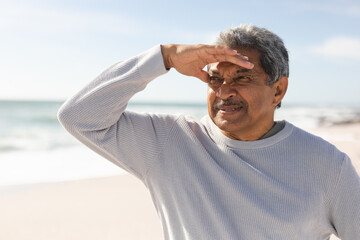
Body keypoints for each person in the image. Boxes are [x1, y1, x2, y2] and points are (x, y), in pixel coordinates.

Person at [58, 25, 360, 239]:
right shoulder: (170, 142)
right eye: (215, 79)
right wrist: (163, 57)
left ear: (278, 90)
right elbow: (79, 116)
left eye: (242, 77)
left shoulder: (328, 166)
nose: (224, 91)